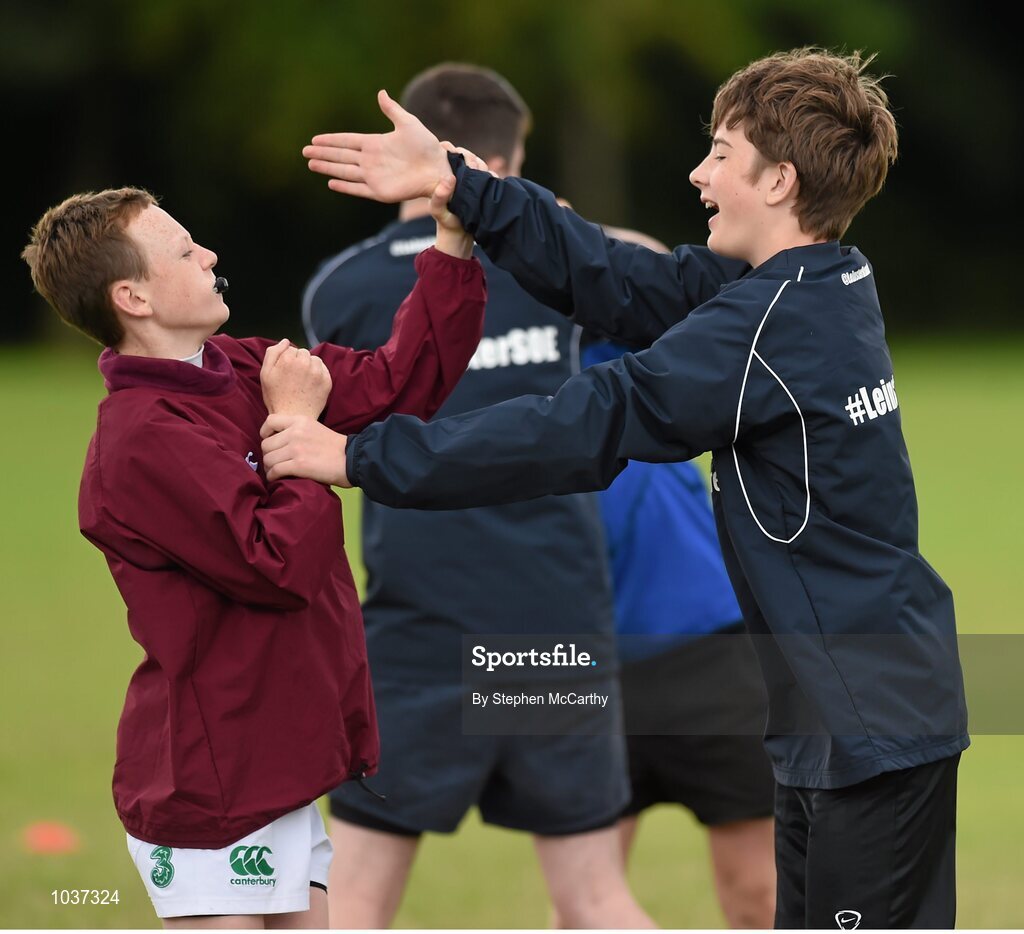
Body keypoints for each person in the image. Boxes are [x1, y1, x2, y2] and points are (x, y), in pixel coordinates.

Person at [266, 47, 970, 928]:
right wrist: (464, 187)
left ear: (780, 180)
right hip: (840, 712)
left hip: (871, 719)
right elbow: (618, 278)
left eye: (720, 153)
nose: (697, 172)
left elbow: (582, 422)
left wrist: (360, 456)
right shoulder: (812, 283)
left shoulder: (768, 329)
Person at [21, 179, 485, 928]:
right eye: (182, 249)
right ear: (134, 298)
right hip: (209, 789)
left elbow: (401, 384)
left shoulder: (238, 365)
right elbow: (278, 566)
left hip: (283, 764)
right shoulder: (140, 440)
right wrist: (299, 433)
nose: (208, 253)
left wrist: (452, 245)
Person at [301, 63, 653, 930]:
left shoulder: (339, 290)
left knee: (355, 900)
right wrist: (559, 225)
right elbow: (649, 273)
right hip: (553, 622)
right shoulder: (554, 263)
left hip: (417, 630)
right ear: (508, 158)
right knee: (595, 896)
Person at [581, 298, 777, 927]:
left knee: (760, 890)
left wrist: (528, 231)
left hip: (711, 653)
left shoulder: (615, 341)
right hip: (577, 666)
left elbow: (654, 265)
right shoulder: (482, 371)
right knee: (583, 903)